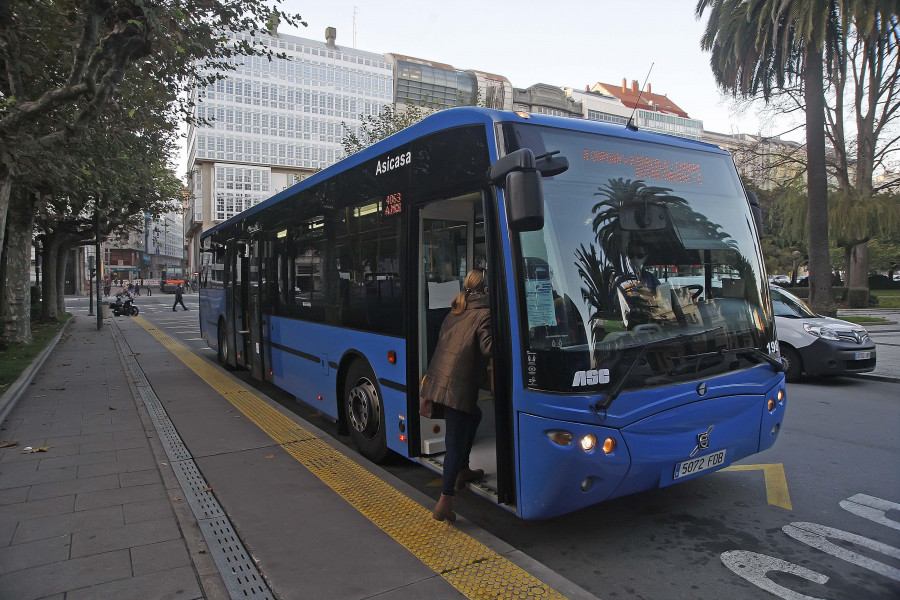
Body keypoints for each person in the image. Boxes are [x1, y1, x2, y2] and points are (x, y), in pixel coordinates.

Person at [420, 268, 492, 522]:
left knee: (475, 415)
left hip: (441, 382)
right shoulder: (484, 314)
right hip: (458, 387)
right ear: (486, 290)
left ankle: (463, 469)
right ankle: (444, 502)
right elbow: (488, 348)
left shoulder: (457, 311)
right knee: (453, 441)